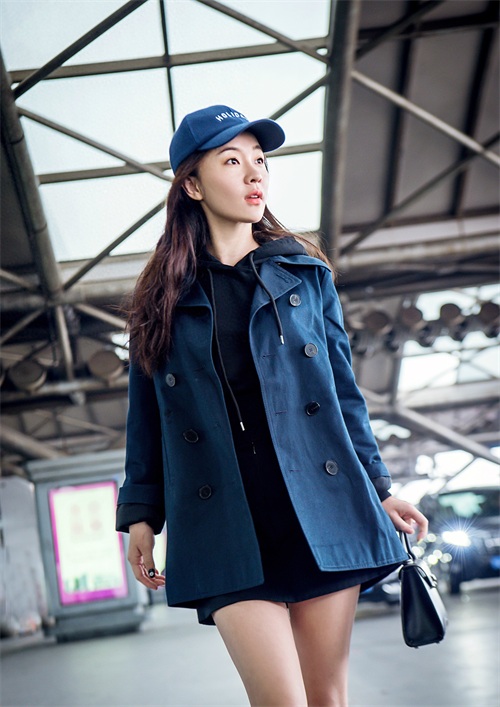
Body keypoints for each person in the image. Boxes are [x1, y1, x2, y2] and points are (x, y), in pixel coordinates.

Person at [116, 104, 428, 707]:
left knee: (326, 698)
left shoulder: (305, 276)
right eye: (231, 161)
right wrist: (140, 514)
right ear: (192, 185)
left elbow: (343, 395)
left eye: (259, 160)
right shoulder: (159, 300)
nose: (254, 173)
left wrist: (380, 487)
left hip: (321, 507)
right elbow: (147, 417)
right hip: (224, 520)